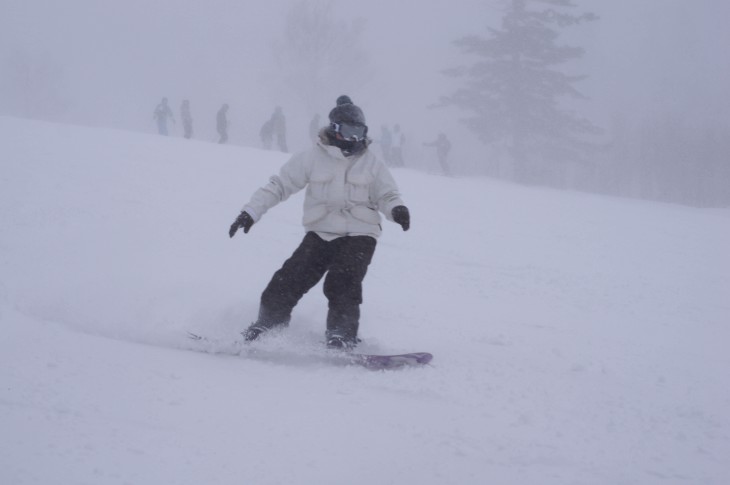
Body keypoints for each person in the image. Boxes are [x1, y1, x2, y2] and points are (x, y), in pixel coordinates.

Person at [228, 96, 411, 350]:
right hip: (321, 233)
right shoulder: (311, 157)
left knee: (343, 282)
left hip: (360, 233)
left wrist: (397, 209)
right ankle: (267, 327)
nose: (354, 139)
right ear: (335, 129)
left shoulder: (372, 163)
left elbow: (387, 194)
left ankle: (341, 336)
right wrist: (251, 212)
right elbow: (279, 186)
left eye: (360, 132)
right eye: (349, 131)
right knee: (287, 280)